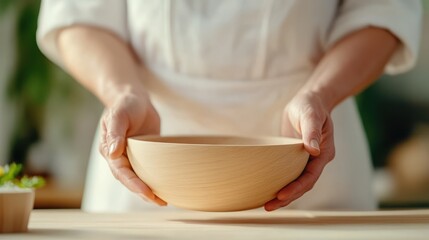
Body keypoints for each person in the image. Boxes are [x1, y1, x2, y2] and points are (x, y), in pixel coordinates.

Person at [37, 0, 422, 212]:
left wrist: (320, 94)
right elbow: (78, 15)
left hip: (307, 150)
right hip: (147, 161)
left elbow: (384, 11)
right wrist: (122, 92)